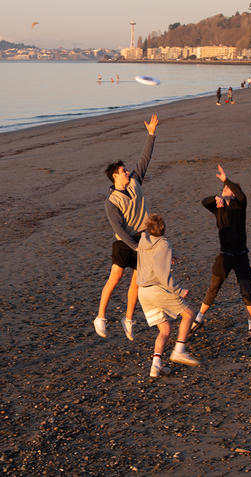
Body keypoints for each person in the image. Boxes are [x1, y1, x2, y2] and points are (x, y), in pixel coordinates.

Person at [95, 114, 159, 340]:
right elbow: (120, 230)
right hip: (125, 242)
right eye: (123, 171)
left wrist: (151, 134)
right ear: (115, 176)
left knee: (137, 282)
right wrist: (136, 247)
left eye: (126, 170)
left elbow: (145, 158)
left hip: (143, 238)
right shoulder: (111, 202)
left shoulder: (135, 182)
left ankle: (128, 319)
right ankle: (101, 317)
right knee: (116, 276)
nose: (128, 172)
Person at [192, 165, 251, 340]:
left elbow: (241, 194)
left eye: (230, 189)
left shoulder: (240, 205)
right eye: (224, 189)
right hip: (225, 255)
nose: (227, 190)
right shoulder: (218, 206)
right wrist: (215, 198)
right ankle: (199, 318)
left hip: (241, 254)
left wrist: (226, 180)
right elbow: (204, 202)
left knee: (246, 291)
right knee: (214, 287)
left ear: (234, 193)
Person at [136, 214, 200, 376]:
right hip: (157, 289)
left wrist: (169, 255)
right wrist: (179, 290)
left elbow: (153, 254)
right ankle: (179, 349)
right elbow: (162, 275)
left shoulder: (143, 240)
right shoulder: (164, 244)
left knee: (164, 329)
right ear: (164, 228)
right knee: (189, 314)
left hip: (142, 292)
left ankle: (156, 365)